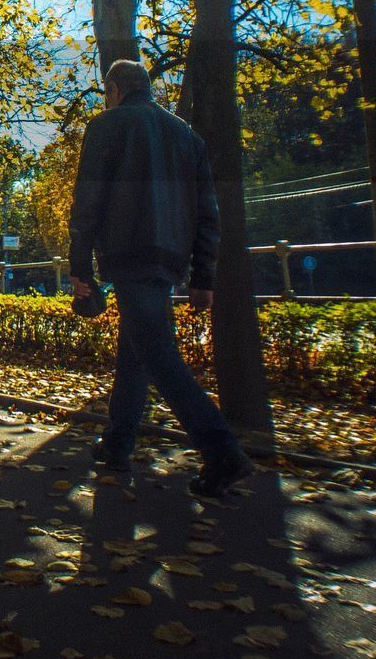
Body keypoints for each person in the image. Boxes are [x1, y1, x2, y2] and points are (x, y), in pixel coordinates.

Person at [68, 59, 255, 498]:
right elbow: (208, 213)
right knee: (135, 350)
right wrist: (202, 276)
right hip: (170, 260)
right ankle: (117, 443)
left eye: (106, 90)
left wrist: (80, 266)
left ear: (114, 88)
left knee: (156, 354)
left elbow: (88, 200)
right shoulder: (187, 136)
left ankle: (222, 452)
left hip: (128, 253)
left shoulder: (107, 126)